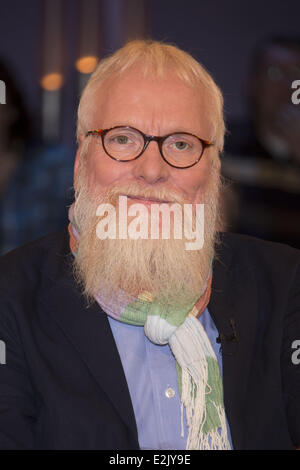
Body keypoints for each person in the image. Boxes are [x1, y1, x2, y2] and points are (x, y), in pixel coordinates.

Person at [0, 40, 299, 450]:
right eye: (122, 139)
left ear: (213, 173)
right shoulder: (9, 299)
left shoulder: (284, 286)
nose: (152, 169)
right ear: (80, 161)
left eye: (181, 144)